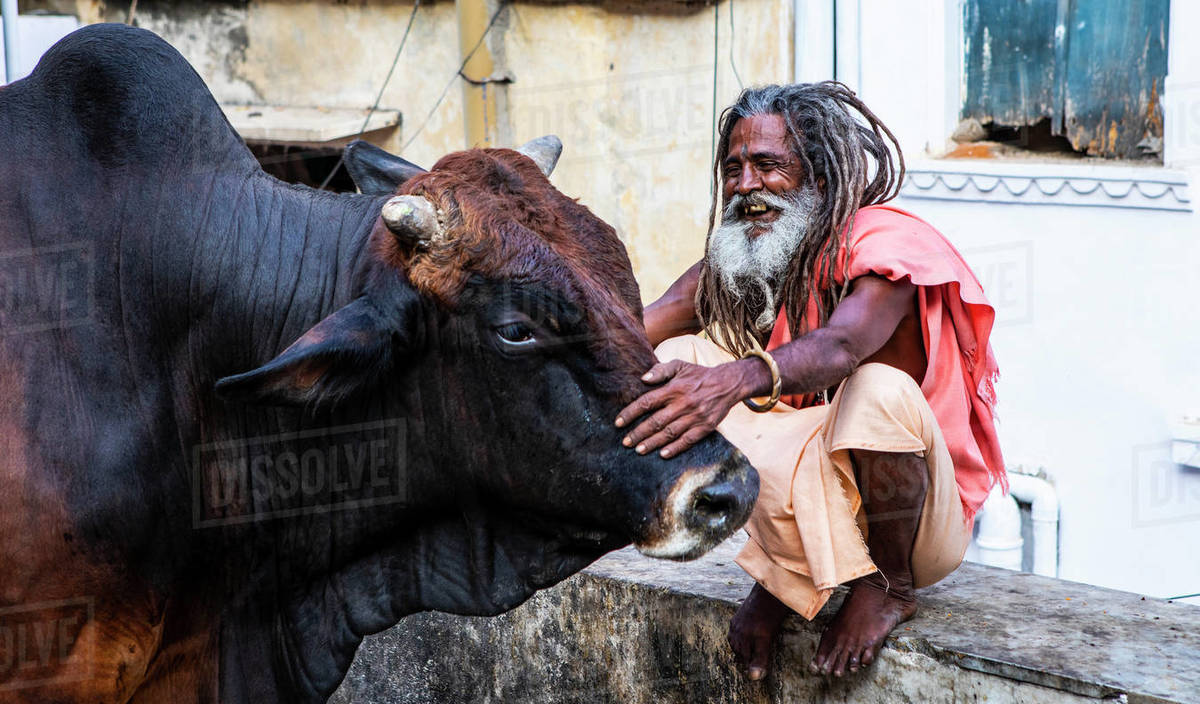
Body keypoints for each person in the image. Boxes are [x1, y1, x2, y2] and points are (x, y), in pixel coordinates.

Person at [614, 82, 1005, 680]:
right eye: (734, 168)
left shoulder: (886, 243)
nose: (746, 185)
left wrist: (732, 381)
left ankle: (887, 589)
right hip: (816, 499)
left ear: (819, 176)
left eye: (769, 165)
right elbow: (636, 332)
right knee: (680, 353)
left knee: (877, 391)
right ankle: (783, 578)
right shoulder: (741, 257)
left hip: (913, 527)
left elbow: (841, 345)